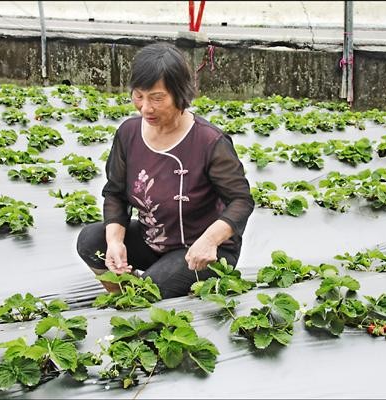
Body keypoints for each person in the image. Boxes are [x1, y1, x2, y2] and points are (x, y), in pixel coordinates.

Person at [76, 42, 254, 299]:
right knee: (91, 241)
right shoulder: (128, 134)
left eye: (157, 98)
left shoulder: (209, 142)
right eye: (139, 95)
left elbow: (241, 200)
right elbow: (115, 193)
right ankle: (124, 300)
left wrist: (210, 240)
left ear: (179, 94)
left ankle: (144, 298)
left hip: (201, 251)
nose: (145, 107)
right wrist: (115, 242)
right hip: (154, 240)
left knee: (155, 285)